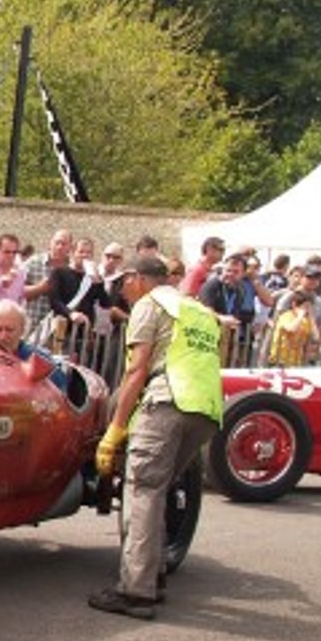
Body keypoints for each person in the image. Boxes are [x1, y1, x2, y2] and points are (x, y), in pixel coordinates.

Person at [89, 255, 222, 619]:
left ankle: (136, 591)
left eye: (123, 283)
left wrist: (115, 429)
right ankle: (155, 573)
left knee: (142, 489)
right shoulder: (197, 310)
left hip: (168, 401)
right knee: (158, 488)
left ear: (137, 279)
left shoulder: (149, 306)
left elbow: (136, 371)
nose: (122, 292)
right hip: (207, 409)